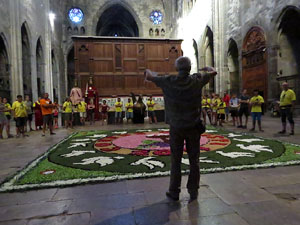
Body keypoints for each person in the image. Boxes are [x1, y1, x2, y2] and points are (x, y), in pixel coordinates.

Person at [145, 56, 217, 201]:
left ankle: (174, 191)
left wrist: (148, 70)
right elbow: (214, 72)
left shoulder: (168, 81)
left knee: (175, 160)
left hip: (176, 126)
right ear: (190, 68)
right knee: (194, 160)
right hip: (193, 126)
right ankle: (193, 190)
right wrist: (206, 69)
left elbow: (149, 76)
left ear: (177, 68)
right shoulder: (197, 80)